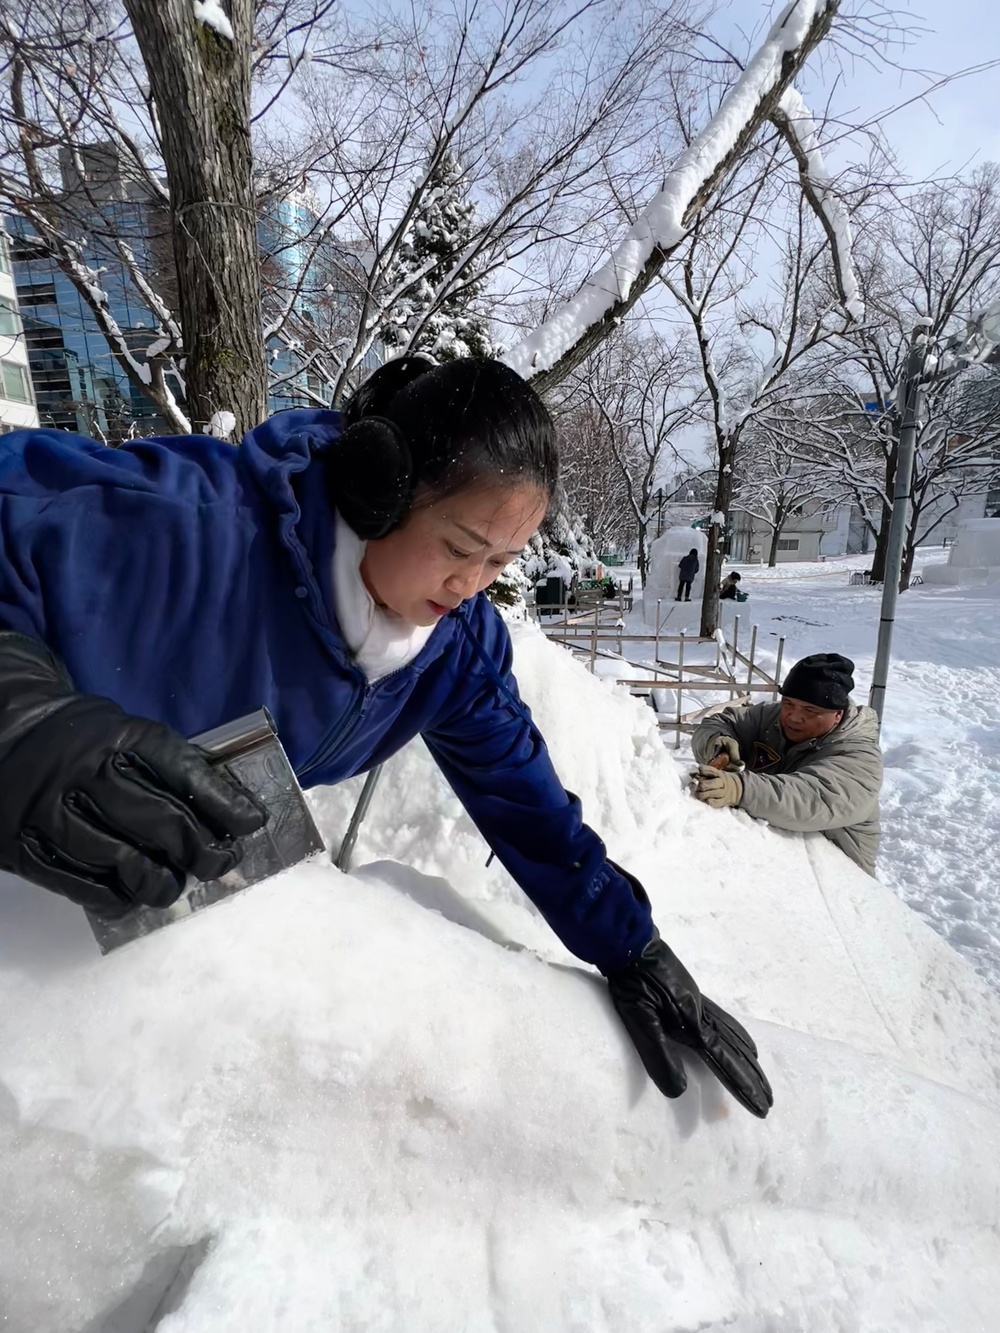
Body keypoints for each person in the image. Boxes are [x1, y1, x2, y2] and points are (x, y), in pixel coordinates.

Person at [0, 356, 771, 1118]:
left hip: (129, 984)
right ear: (379, 489)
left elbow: (528, 807)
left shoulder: (455, 649)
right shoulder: (188, 523)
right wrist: (24, 722)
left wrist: (631, 945)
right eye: (461, 546)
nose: (472, 584)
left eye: (500, 561)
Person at [690, 653, 882, 874]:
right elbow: (722, 722)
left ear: (837, 715)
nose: (794, 717)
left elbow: (813, 799)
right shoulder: (772, 717)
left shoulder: (859, 756)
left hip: (837, 885)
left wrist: (740, 789)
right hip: (770, 865)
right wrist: (717, 744)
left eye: (810, 711)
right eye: (788, 703)